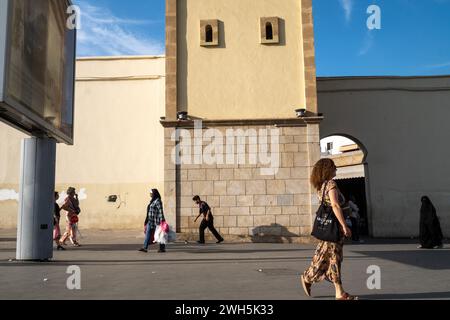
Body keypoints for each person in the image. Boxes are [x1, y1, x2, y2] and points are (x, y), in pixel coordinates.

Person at [300, 158, 358, 300]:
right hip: (334, 229)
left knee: (324, 258)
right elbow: (335, 205)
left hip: (328, 228)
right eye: (334, 167)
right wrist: (344, 225)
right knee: (333, 259)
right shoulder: (331, 184)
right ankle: (339, 292)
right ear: (328, 169)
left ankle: (309, 277)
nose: (336, 168)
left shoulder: (321, 186)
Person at [139, 189, 166, 253]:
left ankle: (162, 248)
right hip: (150, 221)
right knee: (147, 233)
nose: (150, 194)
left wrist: (162, 220)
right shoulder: (152, 201)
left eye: (151, 193)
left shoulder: (158, 201)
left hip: (156, 221)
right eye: (150, 193)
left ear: (154, 194)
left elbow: (160, 211)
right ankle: (145, 247)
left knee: (160, 234)